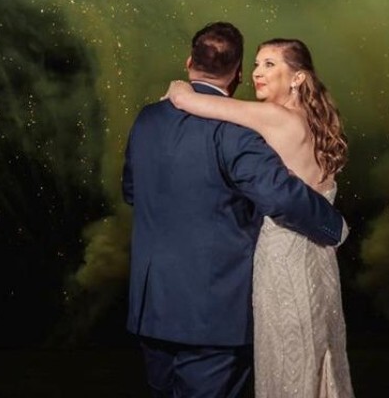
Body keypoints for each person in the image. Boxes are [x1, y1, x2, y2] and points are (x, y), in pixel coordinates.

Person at [122, 22, 349, 398]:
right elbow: (281, 195)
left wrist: (178, 89)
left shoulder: (147, 119)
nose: (259, 73)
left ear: (189, 60)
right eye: (256, 65)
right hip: (216, 308)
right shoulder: (236, 130)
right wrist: (335, 226)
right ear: (239, 72)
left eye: (270, 64)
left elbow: (131, 191)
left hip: (153, 305)